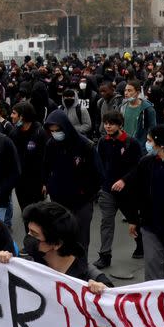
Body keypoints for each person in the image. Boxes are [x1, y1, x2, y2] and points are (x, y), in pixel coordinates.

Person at [0, 202, 112, 294]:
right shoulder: (28, 262)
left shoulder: (91, 278)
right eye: (28, 232)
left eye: (34, 234)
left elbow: (115, 306)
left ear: (57, 244)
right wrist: (1, 264)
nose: (28, 237)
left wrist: (103, 292)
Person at [121, 124, 164, 280]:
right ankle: (153, 302)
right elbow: (135, 192)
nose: (147, 143)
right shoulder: (146, 163)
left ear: (161, 144)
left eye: (150, 140)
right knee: (152, 271)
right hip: (150, 226)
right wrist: (133, 219)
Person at [42, 109, 105, 254]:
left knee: (80, 241)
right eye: (52, 131)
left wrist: (86, 192)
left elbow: (98, 174)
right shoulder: (51, 144)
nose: (56, 133)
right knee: (59, 240)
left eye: (58, 130)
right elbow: (45, 167)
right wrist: (48, 185)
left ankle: (80, 272)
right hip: (58, 201)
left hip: (81, 203)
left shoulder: (85, 145)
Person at [93, 110, 143, 269]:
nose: (108, 126)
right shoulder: (102, 142)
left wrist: (124, 180)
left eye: (111, 123)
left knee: (134, 221)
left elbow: (138, 167)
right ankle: (105, 255)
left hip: (128, 192)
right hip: (107, 191)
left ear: (120, 125)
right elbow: (99, 163)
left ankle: (140, 245)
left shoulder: (131, 143)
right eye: (106, 123)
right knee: (106, 223)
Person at [8, 102, 47, 230]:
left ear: (22, 116)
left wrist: (45, 182)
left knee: (37, 214)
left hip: (36, 181)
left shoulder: (39, 132)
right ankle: (29, 240)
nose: (11, 116)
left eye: (14, 113)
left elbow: (46, 160)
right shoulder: (14, 133)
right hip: (21, 182)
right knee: (26, 212)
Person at [120, 80, 156, 146]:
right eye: (125, 90)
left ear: (138, 92)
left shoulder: (147, 109)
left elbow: (152, 129)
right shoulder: (123, 106)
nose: (126, 93)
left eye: (129, 90)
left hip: (140, 145)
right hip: (125, 143)